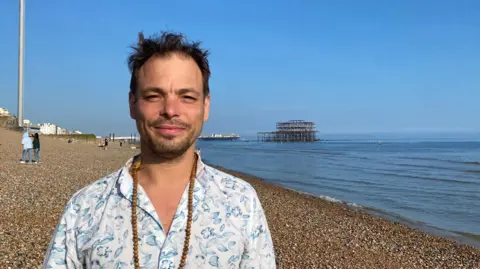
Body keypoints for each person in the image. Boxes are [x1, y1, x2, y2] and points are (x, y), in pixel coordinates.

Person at [43, 31, 276, 268]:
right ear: (133, 104)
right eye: (154, 95)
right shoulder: (85, 208)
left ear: (206, 107)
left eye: (187, 97)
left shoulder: (241, 202)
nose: (170, 110)